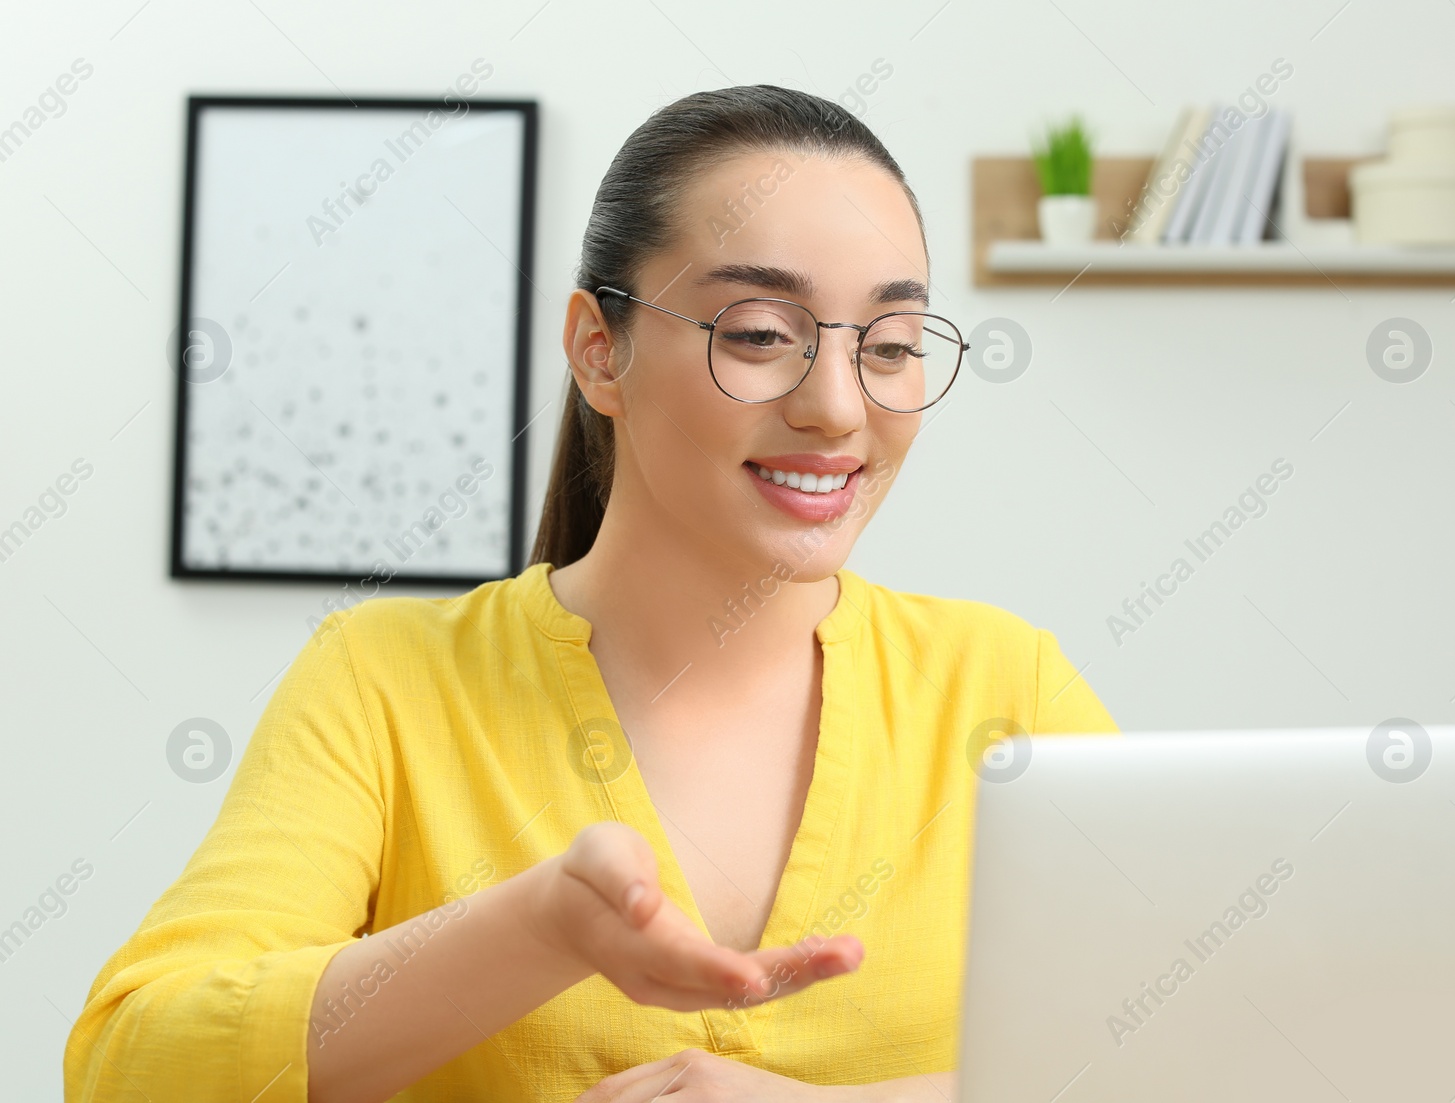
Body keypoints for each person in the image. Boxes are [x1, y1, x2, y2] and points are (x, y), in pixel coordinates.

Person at [65, 83, 1115, 1102]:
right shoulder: (385, 679)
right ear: (597, 348)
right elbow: (132, 1066)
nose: (838, 407)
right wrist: (540, 930)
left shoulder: (1006, 687)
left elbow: (1223, 1044)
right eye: (757, 333)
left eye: (889, 346)